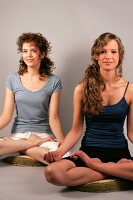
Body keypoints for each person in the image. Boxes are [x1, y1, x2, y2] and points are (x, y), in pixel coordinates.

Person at [44, 32, 133, 186]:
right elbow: (76, 130)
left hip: (119, 153)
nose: (108, 56)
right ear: (96, 56)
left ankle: (96, 167)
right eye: (102, 51)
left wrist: (92, 164)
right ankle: (115, 172)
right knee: (52, 173)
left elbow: (132, 133)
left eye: (113, 52)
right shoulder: (81, 89)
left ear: (120, 56)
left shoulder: (130, 90)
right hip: (89, 152)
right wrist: (59, 152)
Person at [0, 32, 69, 162]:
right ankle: (29, 145)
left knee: (60, 157)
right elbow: (6, 116)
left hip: (43, 135)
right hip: (18, 135)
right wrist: (32, 142)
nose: (28, 55)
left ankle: (23, 147)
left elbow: (54, 117)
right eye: (25, 51)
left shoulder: (54, 81)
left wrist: (62, 142)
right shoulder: (12, 79)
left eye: (33, 51)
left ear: (41, 54)